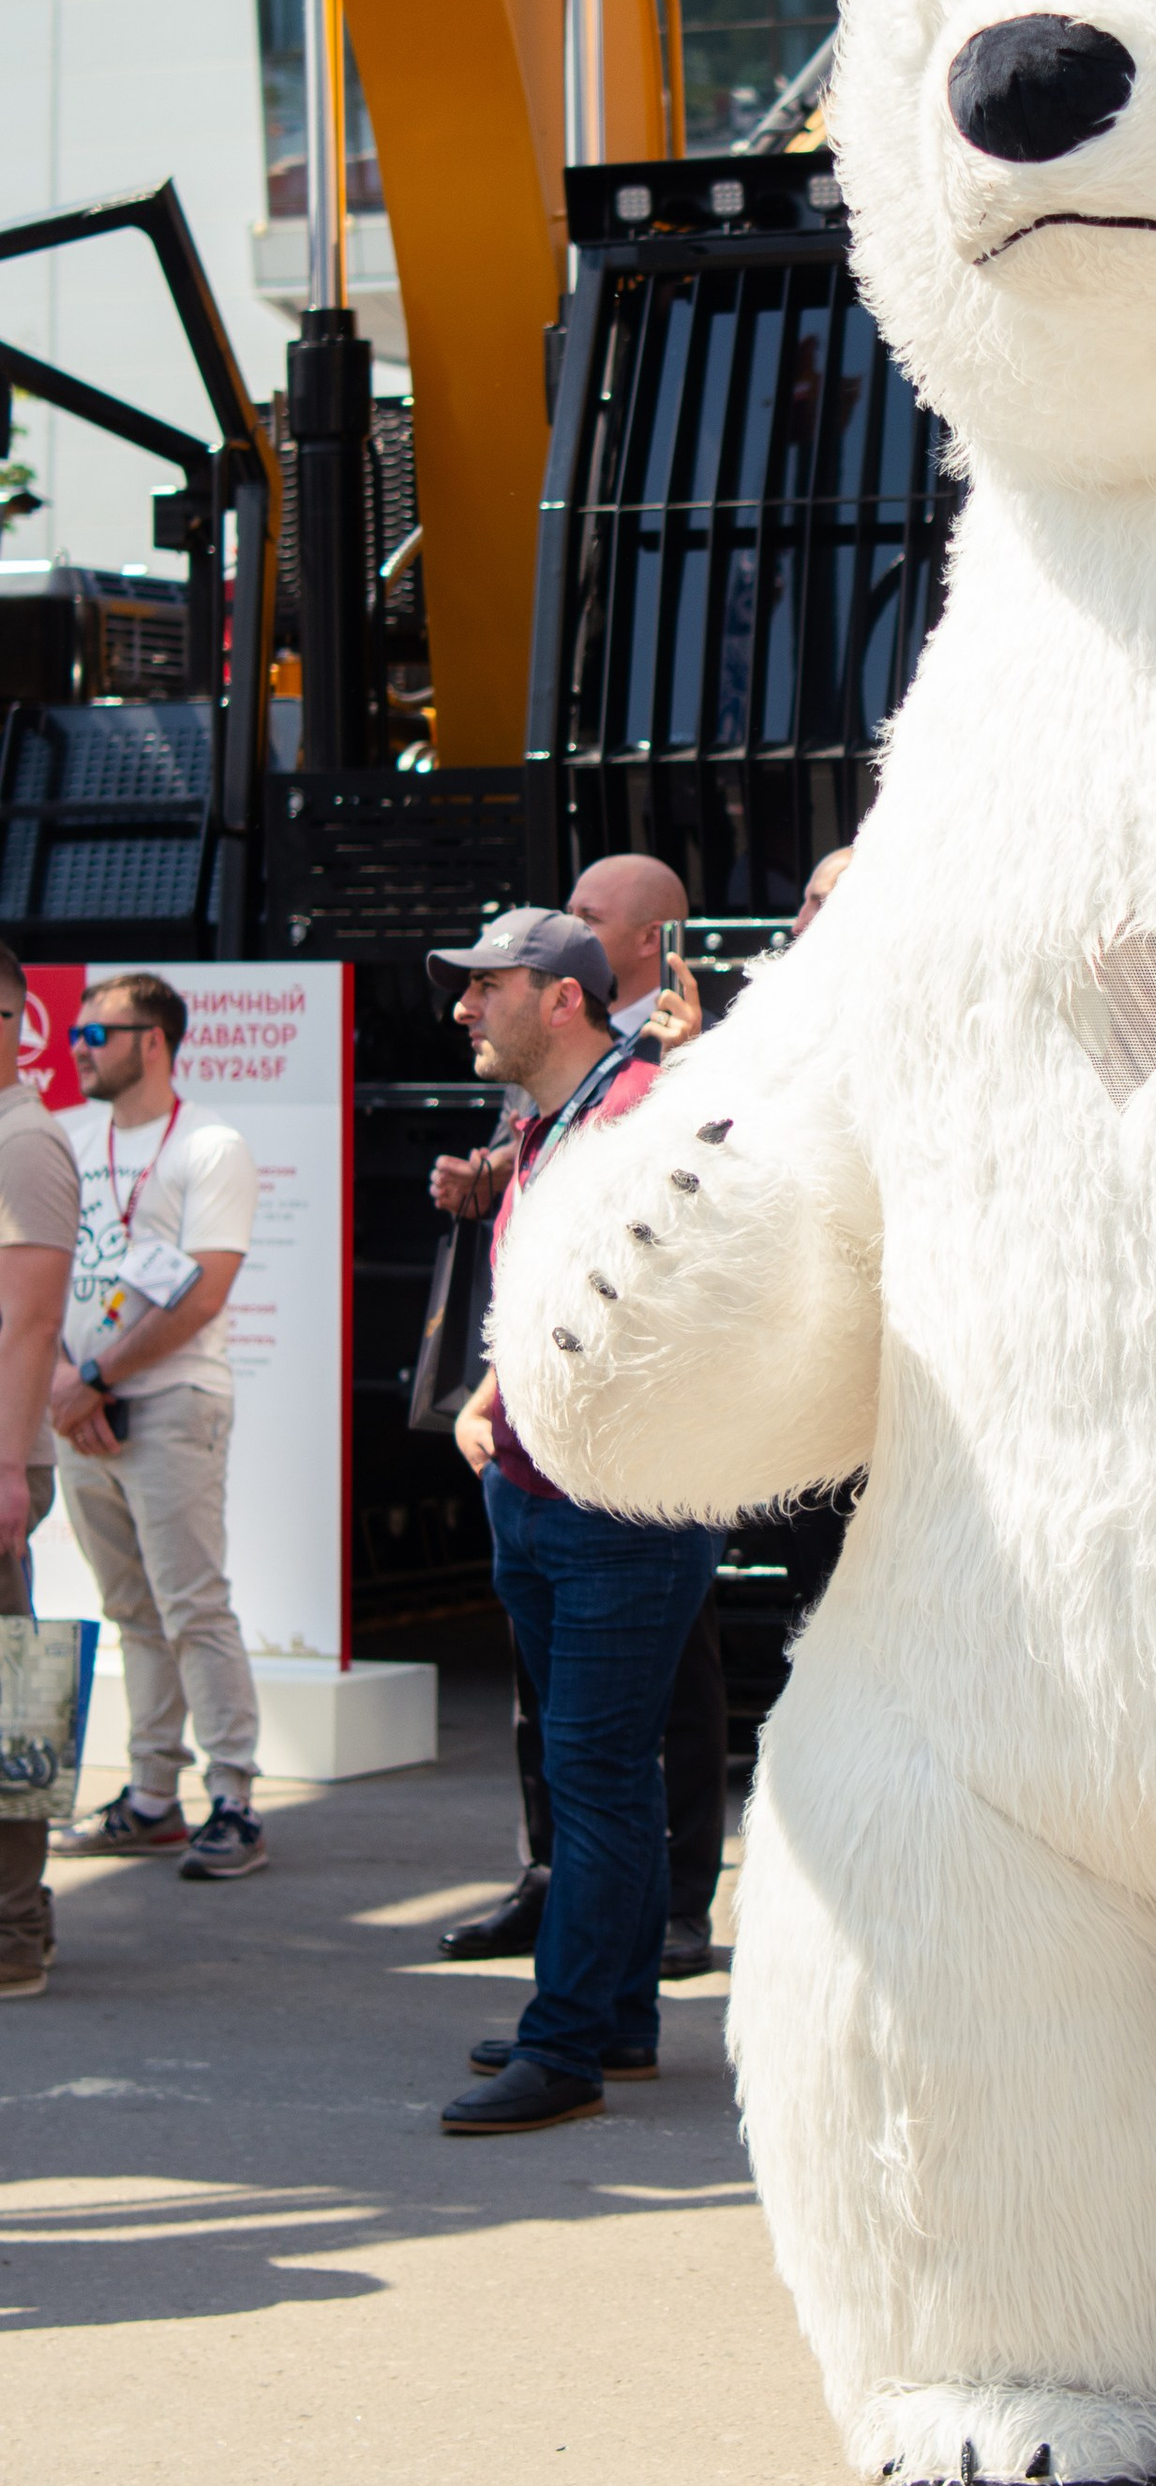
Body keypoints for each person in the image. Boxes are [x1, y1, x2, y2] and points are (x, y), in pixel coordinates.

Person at [430, 908, 722, 2135]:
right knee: (596, 1771)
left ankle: (566, 2048)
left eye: (483, 986)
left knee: (594, 1776)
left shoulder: (645, 1109)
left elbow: (672, 1292)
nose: (460, 1008)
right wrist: (489, 1394)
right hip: (546, 1489)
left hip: (618, 1501)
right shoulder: (554, 1117)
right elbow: (541, 1289)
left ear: (559, 1000)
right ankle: (616, 2024)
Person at [49, 973, 266, 1881]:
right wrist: (68, 1388)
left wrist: (93, 1377)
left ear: (154, 1040)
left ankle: (236, 1802)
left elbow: (203, 1291)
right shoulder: (66, 1137)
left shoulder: (210, 1146)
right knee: (132, 1611)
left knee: (191, 1606)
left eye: (96, 1034)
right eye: (73, 1035)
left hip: (172, 1401)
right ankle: (150, 1797)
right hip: (75, 1405)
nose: (79, 1049)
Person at [0, 945, 81, 1999]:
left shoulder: (24, 1143)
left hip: (0, 1462)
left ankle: (14, 1932)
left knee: (8, 1704)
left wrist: (10, 1473)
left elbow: (29, 1325)